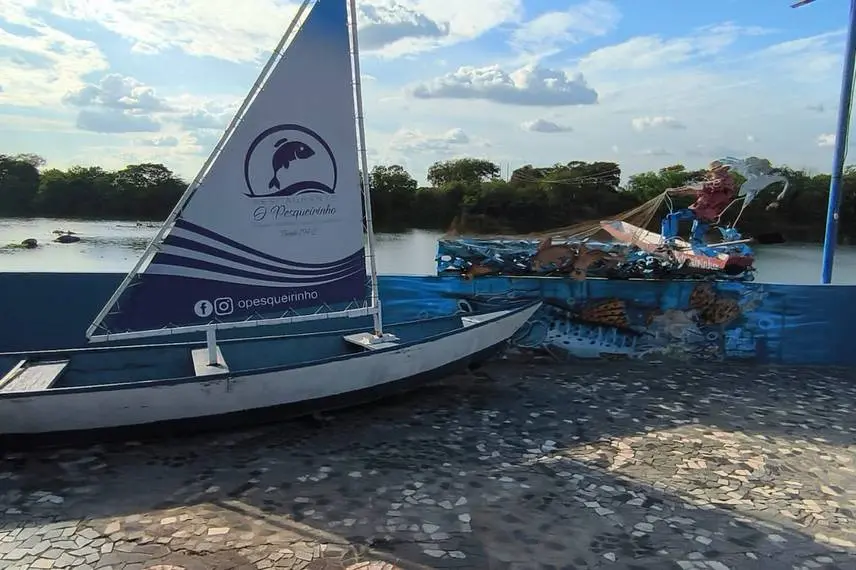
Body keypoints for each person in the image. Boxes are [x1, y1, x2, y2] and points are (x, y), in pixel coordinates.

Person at [661, 160, 738, 245]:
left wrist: (679, 191)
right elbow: (694, 190)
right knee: (695, 237)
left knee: (672, 217)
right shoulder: (717, 183)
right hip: (706, 213)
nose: (721, 173)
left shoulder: (722, 182)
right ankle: (691, 247)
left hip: (703, 212)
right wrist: (678, 191)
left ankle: (668, 241)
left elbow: (701, 187)